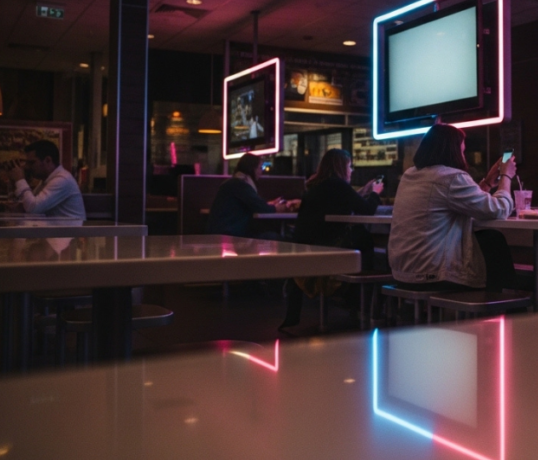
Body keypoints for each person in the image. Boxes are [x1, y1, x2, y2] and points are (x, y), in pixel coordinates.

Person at [388, 124, 518, 290]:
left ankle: (502, 304)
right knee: (492, 239)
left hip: (403, 272)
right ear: (453, 151)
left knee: (489, 239)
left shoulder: (410, 175)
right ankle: (508, 305)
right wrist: (506, 176)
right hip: (431, 273)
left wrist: (487, 182)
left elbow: (463, 201)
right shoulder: (450, 177)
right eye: (462, 151)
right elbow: (498, 210)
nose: (463, 156)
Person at [282, 148, 383, 329]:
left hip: (308, 249)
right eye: (349, 166)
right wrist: (375, 192)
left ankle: (357, 302)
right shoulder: (337, 185)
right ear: (341, 167)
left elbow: (344, 201)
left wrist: (363, 192)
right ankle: (366, 304)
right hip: (326, 250)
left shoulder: (317, 186)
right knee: (365, 240)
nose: (351, 171)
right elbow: (367, 210)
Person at [205, 152, 296, 238]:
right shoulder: (240, 185)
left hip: (222, 233)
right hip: (230, 236)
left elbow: (254, 203)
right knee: (274, 238)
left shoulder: (234, 182)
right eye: (260, 168)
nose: (261, 172)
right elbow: (262, 208)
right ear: (253, 169)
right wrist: (280, 207)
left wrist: (269, 204)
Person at [9, 140, 86, 219]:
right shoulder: (47, 180)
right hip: (62, 230)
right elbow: (30, 205)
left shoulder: (62, 179)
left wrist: (20, 180)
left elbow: (33, 208)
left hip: (71, 231)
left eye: (32, 163)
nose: (27, 167)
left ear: (48, 160)